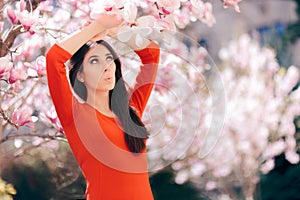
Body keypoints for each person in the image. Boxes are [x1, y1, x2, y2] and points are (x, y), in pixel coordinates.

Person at [46, 13, 160, 200]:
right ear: (80, 75)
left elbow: (152, 54)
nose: (107, 67)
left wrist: (114, 31)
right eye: (94, 61)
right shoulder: (75, 115)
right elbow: (54, 59)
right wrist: (96, 27)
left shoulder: (131, 110)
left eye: (109, 59)